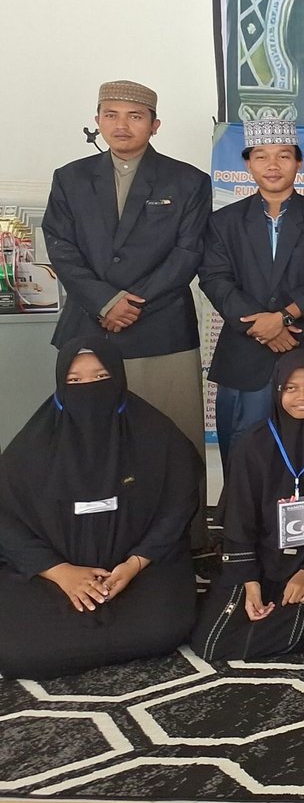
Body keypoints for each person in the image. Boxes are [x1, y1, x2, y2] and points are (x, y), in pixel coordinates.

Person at [42, 81, 211, 547]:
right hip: (87, 328)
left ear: (155, 125)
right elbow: (61, 248)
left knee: (172, 439)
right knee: (88, 440)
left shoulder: (188, 180)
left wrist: (131, 303)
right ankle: (91, 540)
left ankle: (185, 542)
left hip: (161, 330)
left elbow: (188, 253)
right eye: (111, 114)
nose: (121, 125)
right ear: (97, 120)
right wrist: (104, 301)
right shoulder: (70, 178)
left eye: (135, 116)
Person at [0, 343, 198, 678]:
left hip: (137, 568)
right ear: (61, 386)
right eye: (75, 381)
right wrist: (61, 572)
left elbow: (178, 505)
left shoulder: (156, 434)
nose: (89, 388)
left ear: (119, 379)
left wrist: (135, 564)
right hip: (54, 573)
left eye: (101, 377)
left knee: (164, 628)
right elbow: (6, 522)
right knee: (18, 651)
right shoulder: (31, 447)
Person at [200, 120, 304, 462]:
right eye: (261, 156)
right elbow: (215, 279)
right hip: (245, 354)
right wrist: (262, 326)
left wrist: (282, 318)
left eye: (284, 156)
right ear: (248, 164)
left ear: (299, 163)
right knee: (246, 454)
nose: (273, 165)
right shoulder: (223, 222)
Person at [192, 353, 304, 661]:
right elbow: (239, 518)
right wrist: (250, 582)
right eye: (291, 388)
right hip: (261, 558)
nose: (302, 397)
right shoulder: (254, 444)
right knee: (212, 642)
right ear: (277, 390)